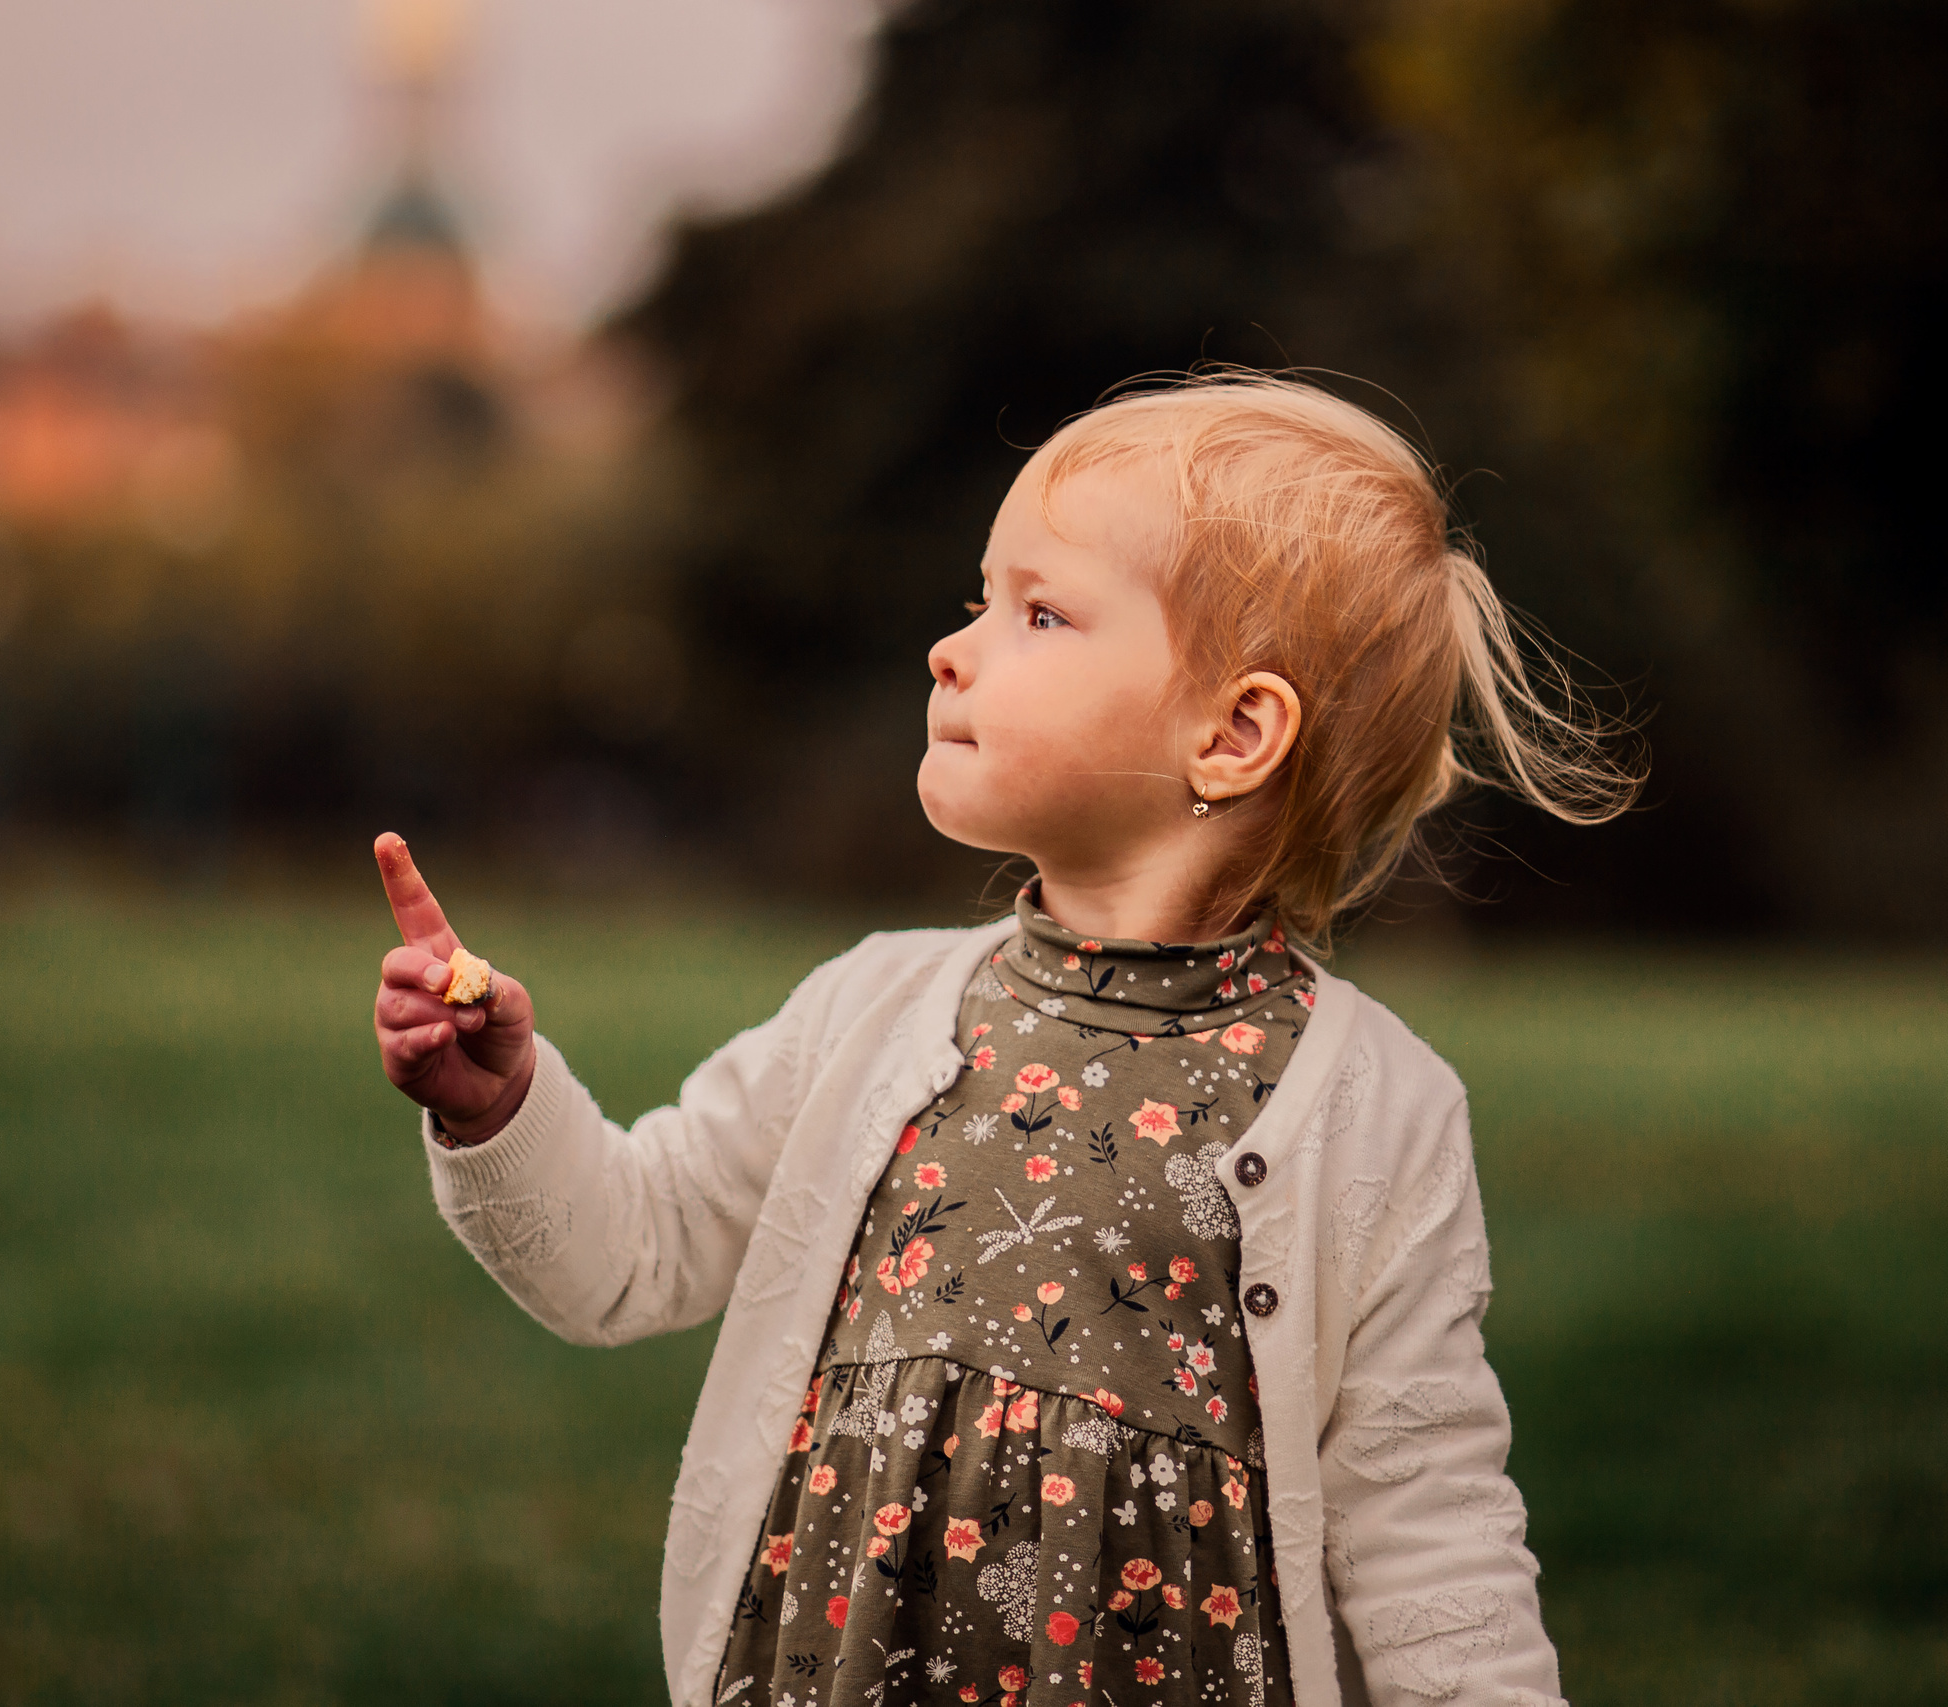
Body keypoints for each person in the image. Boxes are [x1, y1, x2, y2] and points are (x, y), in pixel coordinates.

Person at [369, 374, 1636, 1707]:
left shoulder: (1376, 1110)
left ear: (1232, 734)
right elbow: (631, 1249)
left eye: (1038, 612)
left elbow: (1430, 1516)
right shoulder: (871, 1011)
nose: (953, 649)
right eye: (980, 599)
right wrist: (497, 1107)